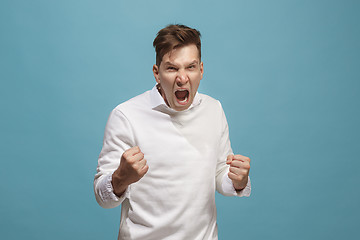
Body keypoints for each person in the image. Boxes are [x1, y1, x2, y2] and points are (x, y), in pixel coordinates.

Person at [94, 24, 251, 240]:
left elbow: (219, 174)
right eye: (172, 68)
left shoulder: (214, 109)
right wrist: (121, 178)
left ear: (201, 70)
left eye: (190, 67)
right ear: (156, 73)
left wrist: (237, 181)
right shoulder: (126, 115)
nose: (182, 78)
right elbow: (103, 198)